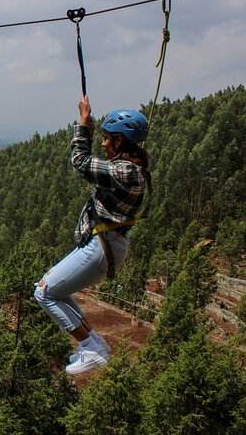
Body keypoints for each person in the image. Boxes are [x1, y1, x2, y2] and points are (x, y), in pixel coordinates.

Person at [33, 95, 150, 375]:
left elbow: (80, 162)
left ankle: (90, 346)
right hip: (102, 244)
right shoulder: (131, 169)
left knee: (44, 294)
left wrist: (83, 124)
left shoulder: (125, 172)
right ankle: (93, 343)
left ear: (120, 141)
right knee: (52, 288)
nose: (104, 143)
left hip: (101, 247)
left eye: (109, 139)